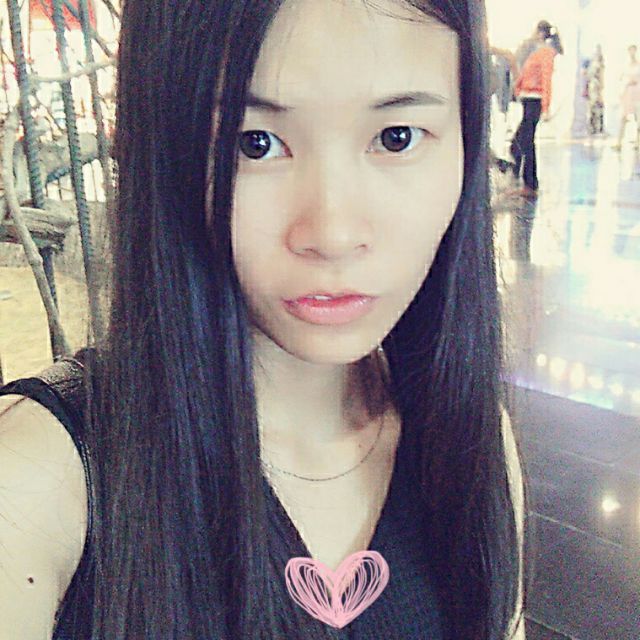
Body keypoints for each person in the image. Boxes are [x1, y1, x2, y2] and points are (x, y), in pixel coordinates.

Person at [0, 1, 526, 639]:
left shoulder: (471, 439)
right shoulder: (34, 485)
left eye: (397, 137)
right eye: (255, 144)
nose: (332, 234)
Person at [508, 20, 562, 198]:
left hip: (534, 100)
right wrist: (518, 89)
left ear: (541, 33)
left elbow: (546, 79)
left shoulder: (545, 53)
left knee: (526, 141)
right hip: (528, 99)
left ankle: (530, 183)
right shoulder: (538, 51)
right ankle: (519, 174)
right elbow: (525, 73)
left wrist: (546, 106)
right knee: (520, 141)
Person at [613, 44, 640, 150]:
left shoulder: (638, 65)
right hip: (628, 92)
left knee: (638, 117)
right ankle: (618, 142)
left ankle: (638, 142)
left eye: (633, 50)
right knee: (623, 117)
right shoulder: (626, 65)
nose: (632, 52)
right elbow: (620, 78)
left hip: (637, 92)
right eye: (630, 50)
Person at [584, 45, 605, 137]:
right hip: (592, 87)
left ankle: (598, 128)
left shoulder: (599, 65)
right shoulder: (592, 64)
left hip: (596, 87)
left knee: (598, 107)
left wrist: (600, 89)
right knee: (592, 107)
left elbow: (601, 77)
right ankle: (593, 128)